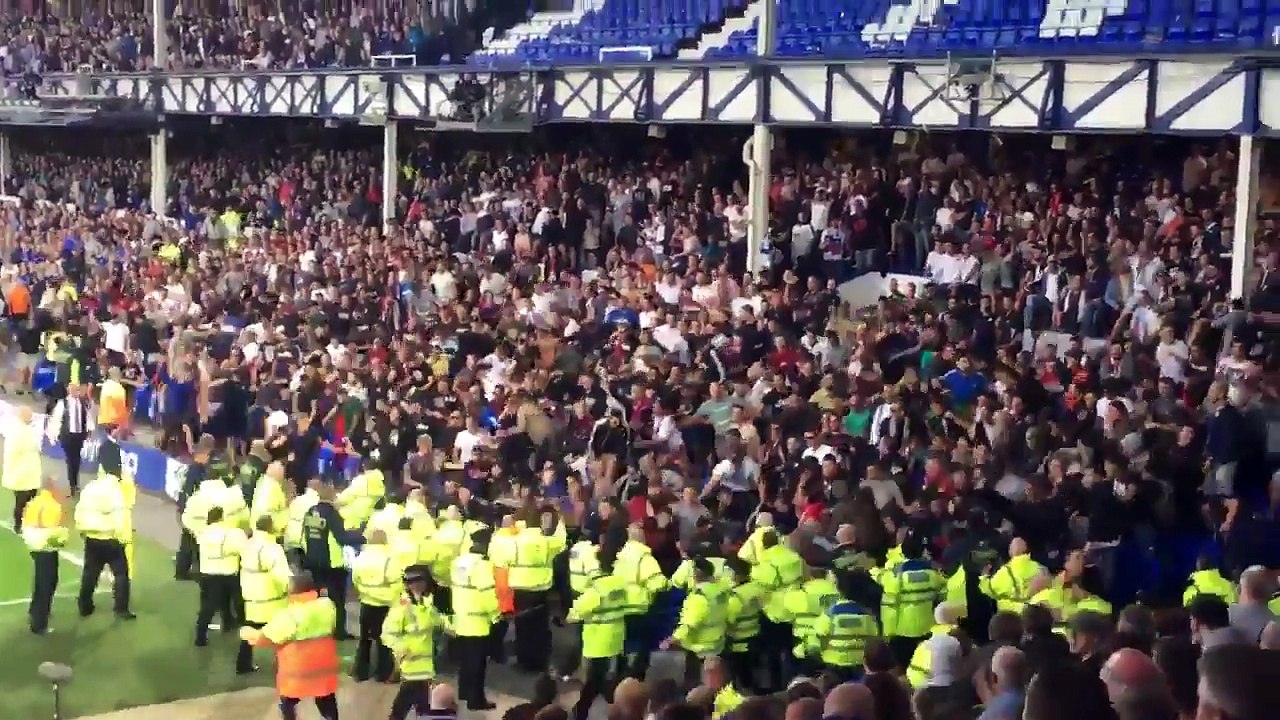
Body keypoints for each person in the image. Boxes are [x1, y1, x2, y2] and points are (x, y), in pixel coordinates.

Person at [240, 572, 342, 720]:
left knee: (288, 703)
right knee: (326, 700)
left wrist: (246, 633)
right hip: (324, 669)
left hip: (298, 673)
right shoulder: (327, 606)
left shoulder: (290, 615)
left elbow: (266, 638)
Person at [566, 544, 642, 720]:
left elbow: (575, 613)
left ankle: (583, 711)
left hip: (597, 641)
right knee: (605, 677)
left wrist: (573, 615)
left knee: (596, 679)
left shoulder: (596, 590)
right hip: (616, 637)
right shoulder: (621, 585)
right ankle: (610, 705)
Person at [382, 564, 449, 720]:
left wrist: (454, 624)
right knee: (407, 703)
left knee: (417, 703)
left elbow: (437, 621)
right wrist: (403, 649)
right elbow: (388, 634)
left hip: (425, 666)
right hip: (412, 666)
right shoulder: (402, 607)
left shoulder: (425, 603)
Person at [301, 481, 365, 640]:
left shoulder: (310, 512)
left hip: (314, 562)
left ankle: (321, 629)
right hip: (333, 564)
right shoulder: (332, 514)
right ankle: (339, 632)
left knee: (322, 599)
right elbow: (342, 538)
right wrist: (363, 536)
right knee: (338, 601)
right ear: (331, 495)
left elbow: (303, 537)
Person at [451, 527, 501, 710]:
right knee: (478, 664)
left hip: (461, 617)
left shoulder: (459, 562)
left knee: (466, 660)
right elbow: (487, 594)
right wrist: (496, 615)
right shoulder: (482, 566)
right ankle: (476, 700)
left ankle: (464, 692)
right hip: (478, 622)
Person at [74, 469, 135, 620]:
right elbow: (120, 516)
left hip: (92, 538)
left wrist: (82, 530)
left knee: (90, 573)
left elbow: (80, 511)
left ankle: (84, 605)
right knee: (121, 574)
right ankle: (121, 608)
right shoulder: (116, 491)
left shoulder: (90, 488)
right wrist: (122, 538)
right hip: (110, 538)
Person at [238, 516, 292, 675]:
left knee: (250, 633)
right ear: (271, 528)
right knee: (281, 633)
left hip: (252, 599)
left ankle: (243, 664)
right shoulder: (272, 549)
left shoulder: (248, 545)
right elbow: (281, 575)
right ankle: (282, 665)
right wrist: (290, 587)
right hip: (272, 600)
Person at [665, 557, 728, 687]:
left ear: (695, 575)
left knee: (699, 684)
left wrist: (673, 639)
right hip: (717, 643)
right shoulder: (721, 591)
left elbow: (690, 623)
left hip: (699, 647)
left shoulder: (699, 597)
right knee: (714, 682)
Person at [351, 528, 399, 683]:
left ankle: (361, 672)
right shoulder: (389, 559)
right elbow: (396, 582)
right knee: (383, 641)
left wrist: (364, 592)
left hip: (366, 603)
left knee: (364, 640)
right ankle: (383, 673)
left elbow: (355, 579)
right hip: (384, 604)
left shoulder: (361, 557)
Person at [195, 506, 247, 645]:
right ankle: (241, 627)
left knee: (208, 607)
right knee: (237, 601)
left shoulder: (203, 533)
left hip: (207, 574)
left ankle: (201, 635)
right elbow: (243, 549)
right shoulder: (233, 533)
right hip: (228, 573)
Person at [22, 476, 68, 635]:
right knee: (47, 583)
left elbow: (25, 523)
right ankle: (39, 623)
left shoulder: (34, 502)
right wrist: (63, 538)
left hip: (34, 546)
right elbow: (52, 532)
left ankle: (35, 611)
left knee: (42, 581)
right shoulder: (53, 506)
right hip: (46, 548)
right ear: (53, 488)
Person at [723, 557, 763, 690]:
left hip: (739, 642)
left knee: (742, 676)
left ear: (736, 575)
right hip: (756, 636)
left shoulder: (736, 597)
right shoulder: (757, 588)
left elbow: (728, 620)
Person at [47, 383, 96, 491]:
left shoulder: (82, 403)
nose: (76, 392)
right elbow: (56, 419)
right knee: (70, 459)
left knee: (76, 459)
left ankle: (75, 482)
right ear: (69, 390)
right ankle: (73, 485)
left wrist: (89, 430)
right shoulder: (63, 404)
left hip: (79, 435)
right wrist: (53, 435)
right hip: (67, 435)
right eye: (74, 390)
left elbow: (87, 417)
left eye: (77, 390)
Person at [3, 406, 43, 528]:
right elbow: (12, 451)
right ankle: (18, 524)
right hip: (20, 473)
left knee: (31, 499)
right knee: (21, 500)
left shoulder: (29, 429)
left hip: (31, 471)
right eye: (28, 415)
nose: (31, 417)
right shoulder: (15, 430)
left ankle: (27, 521)